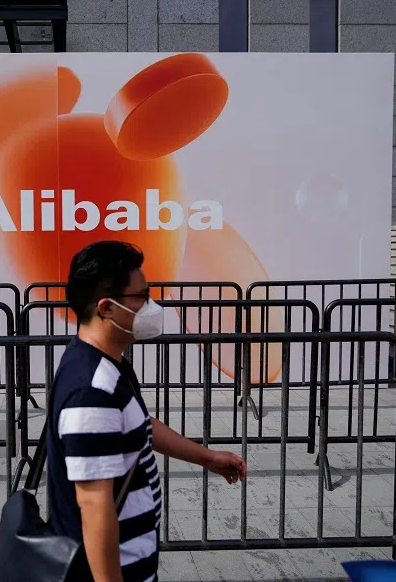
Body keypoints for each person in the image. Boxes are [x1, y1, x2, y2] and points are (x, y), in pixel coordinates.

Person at [46, 240, 247, 582]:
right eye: (141, 296)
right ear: (107, 308)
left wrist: (206, 457)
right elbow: (95, 508)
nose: (151, 306)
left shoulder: (109, 366)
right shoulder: (91, 391)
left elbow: (140, 424)